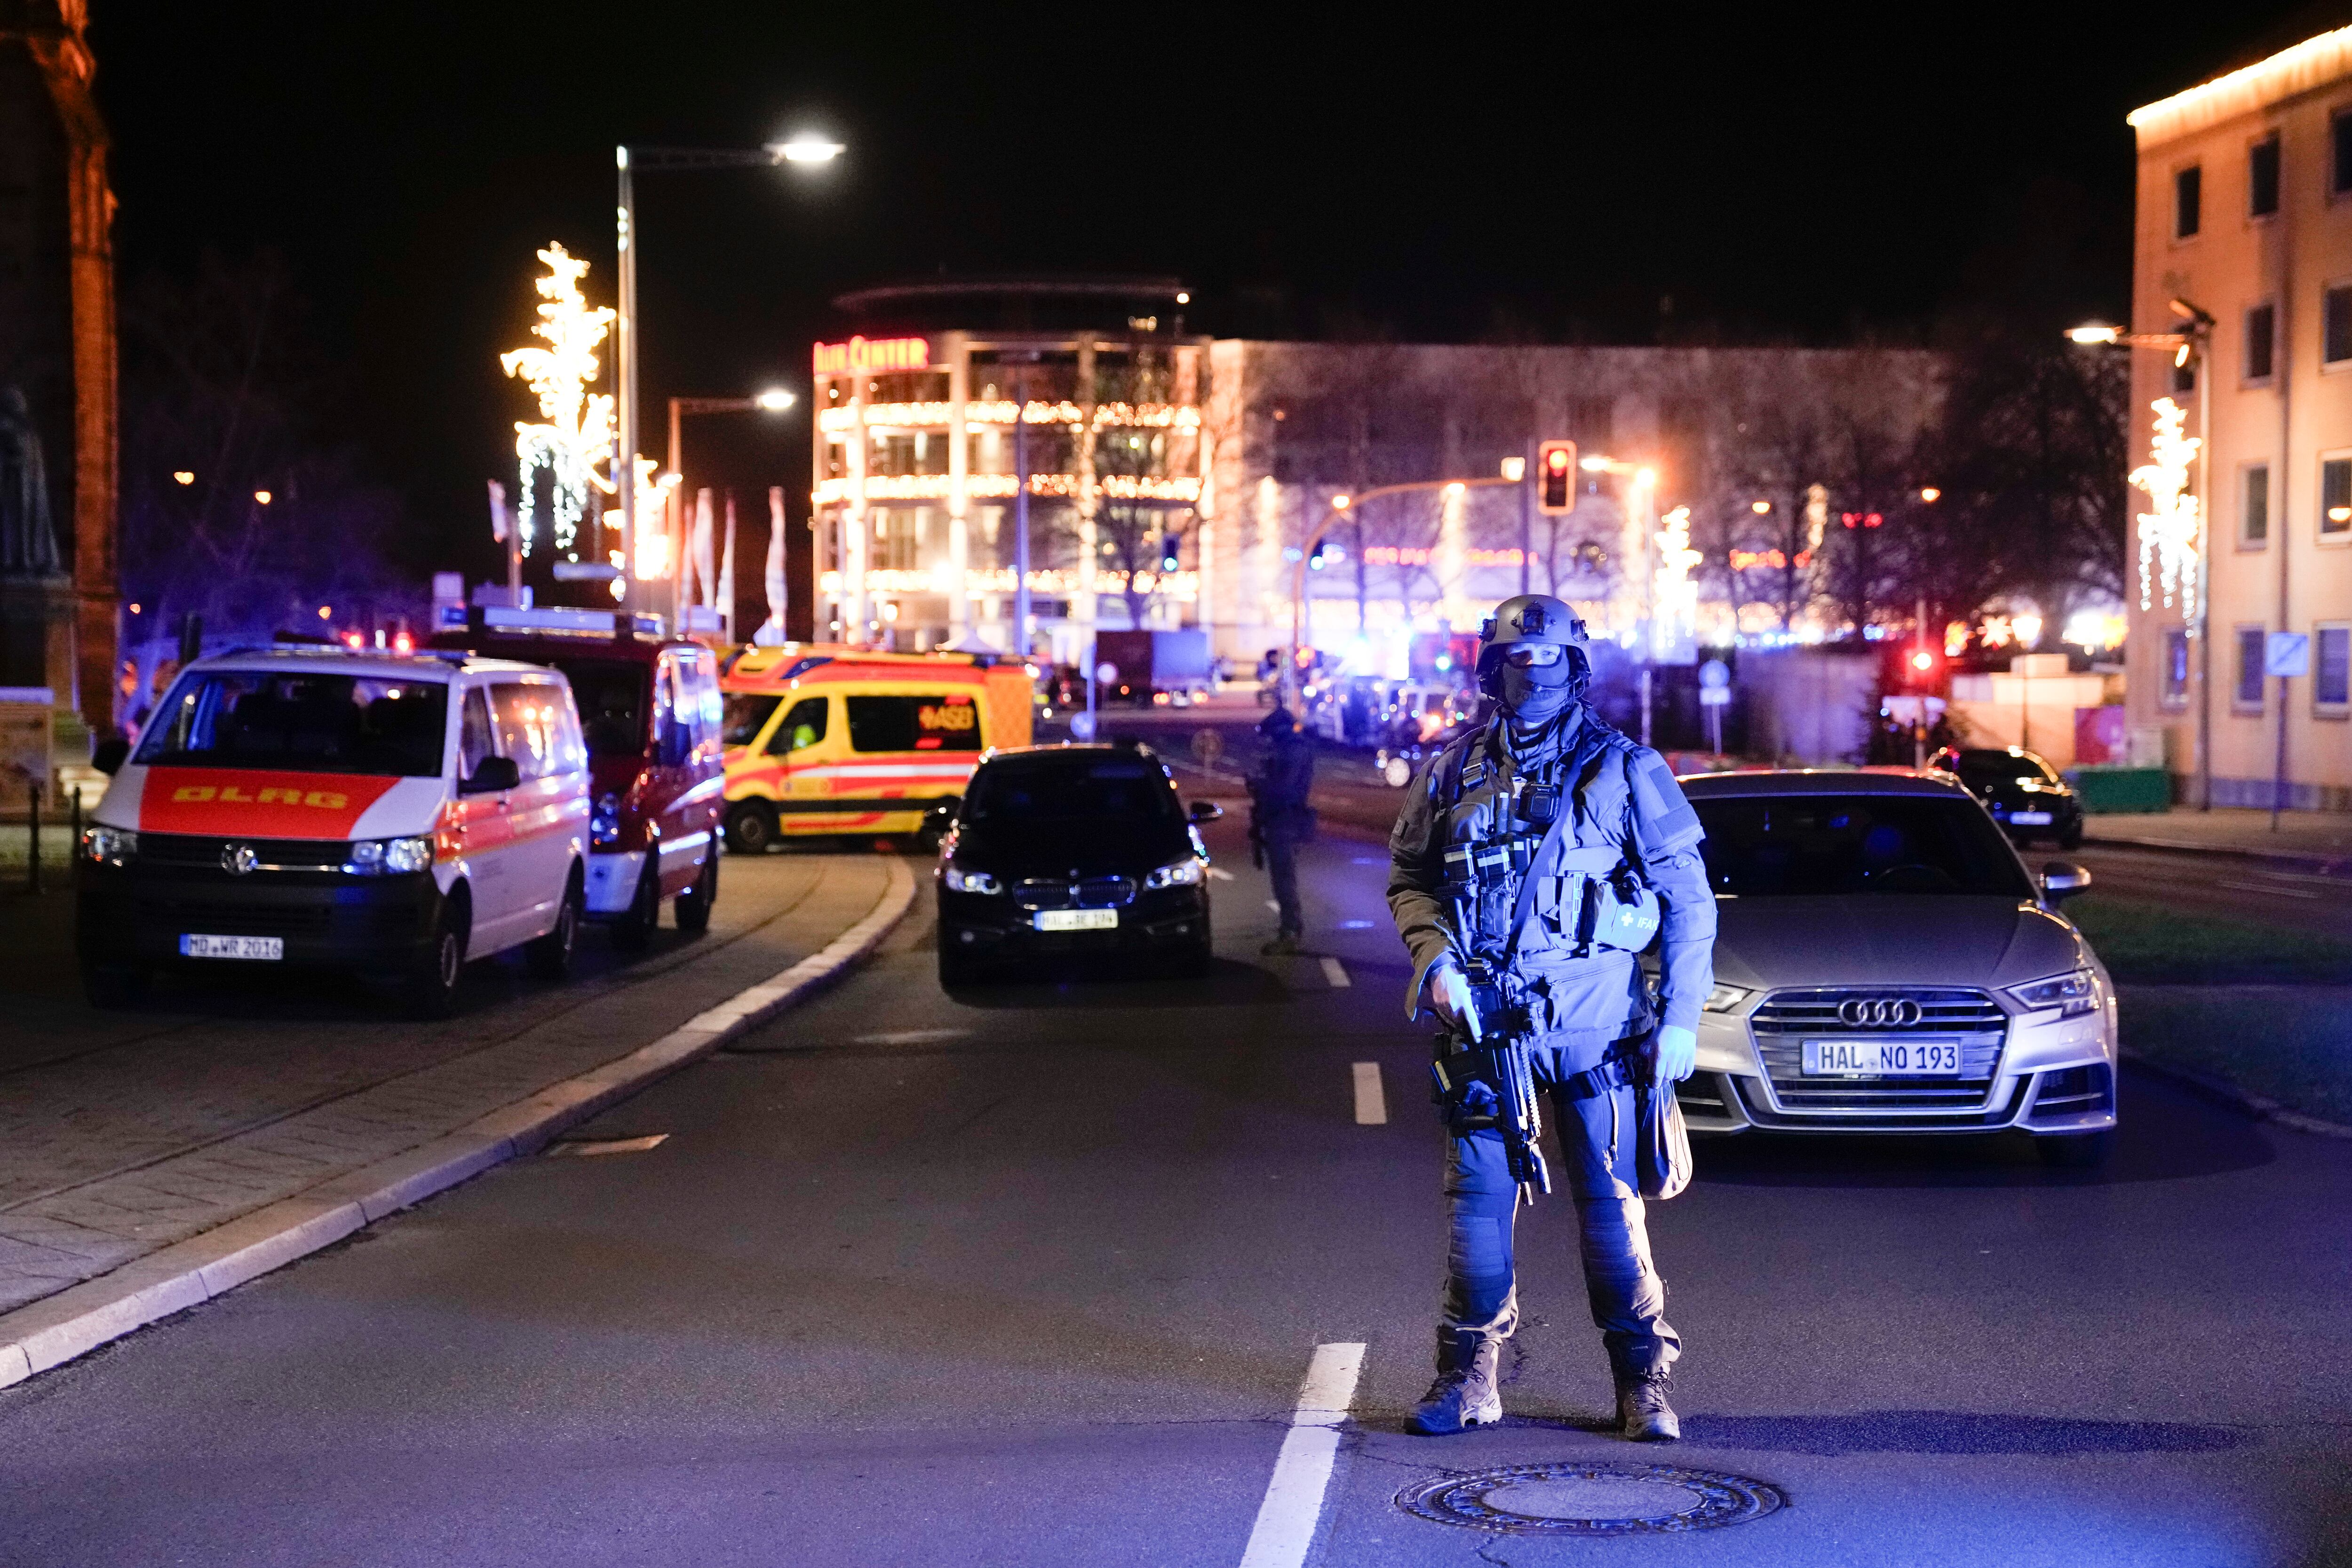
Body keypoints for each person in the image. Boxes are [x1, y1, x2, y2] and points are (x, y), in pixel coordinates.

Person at [1386, 594, 1715, 1443]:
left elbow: (1687, 899)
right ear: (1490, 671)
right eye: (1515, 662)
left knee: (1612, 1215)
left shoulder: (1625, 768)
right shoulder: (1451, 770)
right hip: (1487, 1034)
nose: (1532, 677)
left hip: (1597, 1032)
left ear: (1577, 667)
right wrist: (1435, 960)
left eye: (1548, 661)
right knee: (1477, 1218)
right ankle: (1468, 1378)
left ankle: (1642, 1381)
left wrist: (1680, 1018)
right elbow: (1411, 878)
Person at [1248, 705, 1316, 955]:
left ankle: (1290, 930)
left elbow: (1284, 788)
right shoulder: (1291, 748)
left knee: (1284, 879)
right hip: (1279, 818)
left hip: (1283, 819)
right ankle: (1289, 928)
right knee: (1282, 878)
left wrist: (1260, 785)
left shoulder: (1292, 750)